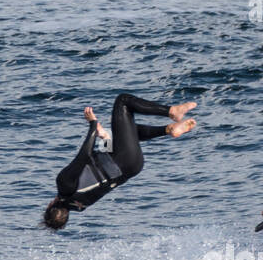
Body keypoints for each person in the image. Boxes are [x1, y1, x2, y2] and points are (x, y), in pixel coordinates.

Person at [43, 94, 197, 229]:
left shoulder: (80, 205)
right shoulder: (64, 184)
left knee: (126, 129)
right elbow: (84, 155)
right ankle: (172, 111)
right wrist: (92, 124)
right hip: (123, 159)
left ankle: (169, 129)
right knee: (123, 101)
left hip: (132, 167)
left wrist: (104, 137)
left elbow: (102, 172)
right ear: (50, 205)